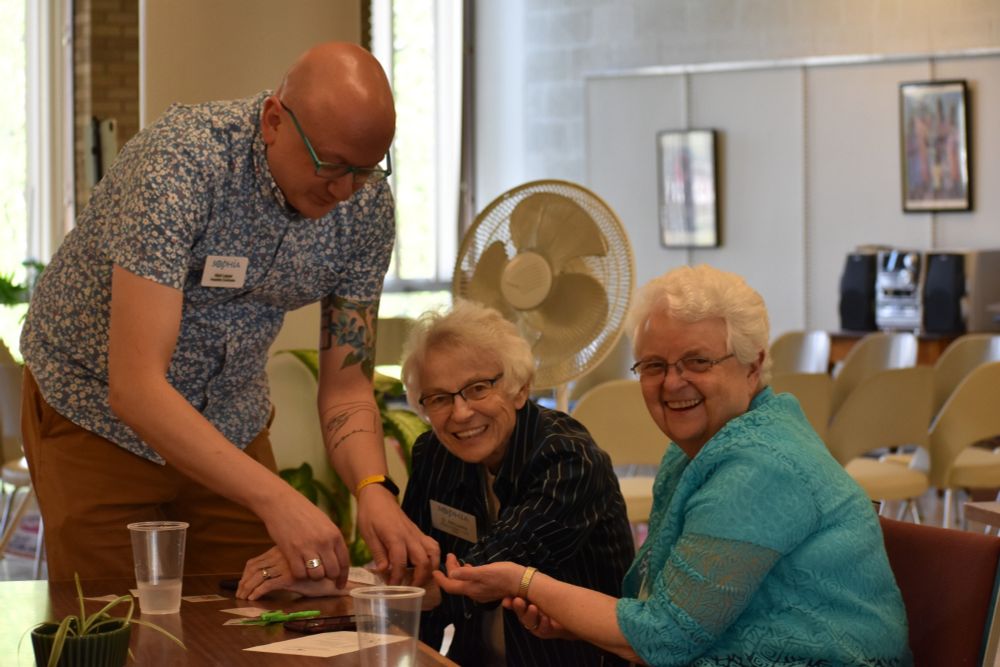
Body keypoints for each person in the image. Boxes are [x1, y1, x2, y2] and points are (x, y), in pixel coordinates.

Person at [19, 41, 438, 586]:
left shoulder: (365, 206)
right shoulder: (182, 165)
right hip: (97, 417)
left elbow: (347, 389)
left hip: (229, 421)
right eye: (331, 165)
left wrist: (372, 489)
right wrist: (278, 500)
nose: (343, 190)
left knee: (254, 613)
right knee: (115, 627)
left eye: (363, 171)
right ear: (273, 120)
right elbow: (136, 386)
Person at [431, 265, 911, 665]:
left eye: (697, 362)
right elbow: (663, 612)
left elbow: (666, 635)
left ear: (751, 366)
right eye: (655, 366)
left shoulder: (762, 466)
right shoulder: (697, 454)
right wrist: (575, 625)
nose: (672, 383)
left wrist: (523, 580)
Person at [237, 300, 636, 666]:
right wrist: (325, 579)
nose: (460, 413)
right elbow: (412, 571)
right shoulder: (436, 452)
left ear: (520, 388)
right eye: (439, 398)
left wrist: (342, 580)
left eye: (478, 388)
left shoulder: (567, 459)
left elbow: (481, 574)